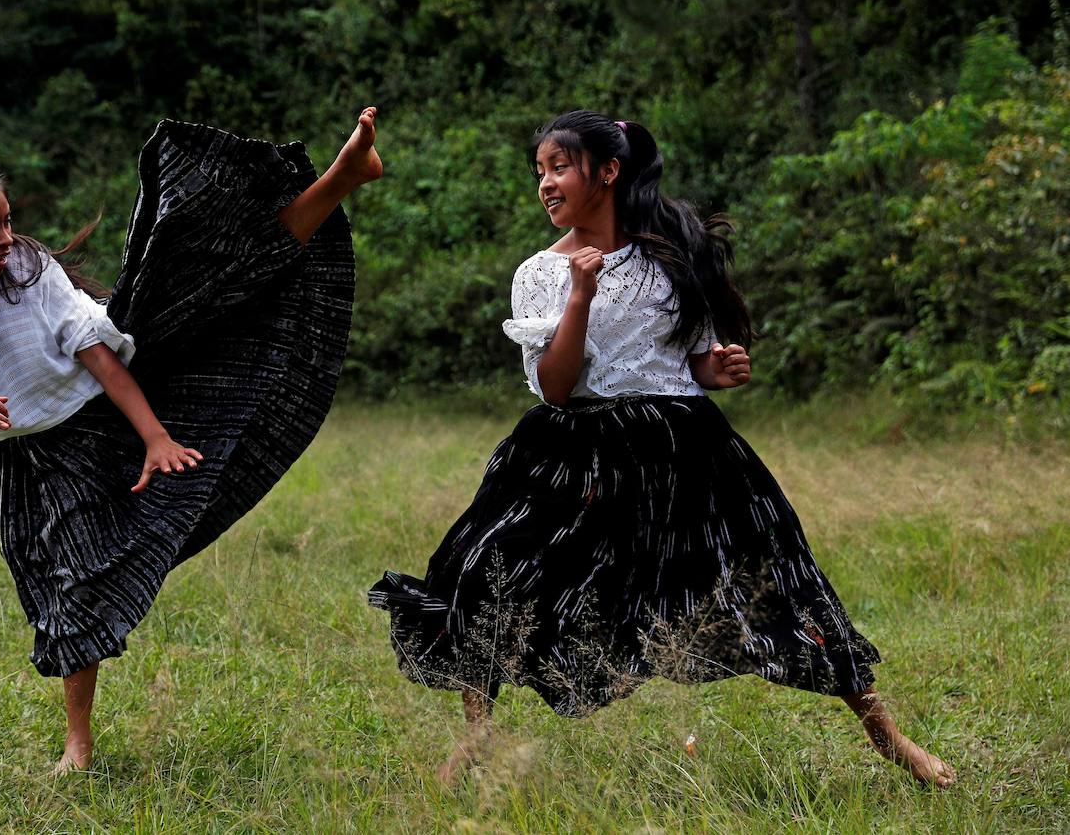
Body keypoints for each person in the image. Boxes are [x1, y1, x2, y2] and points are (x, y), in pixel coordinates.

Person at [368, 110, 954, 787]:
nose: (546, 185)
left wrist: (717, 369)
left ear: (608, 172)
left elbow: (682, 363)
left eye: (560, 167)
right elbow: (556, 388)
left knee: (781, 582)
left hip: (684, 449)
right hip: (571, 448)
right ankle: (478, 738)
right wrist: (580, 296)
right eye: (540, 172)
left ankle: (886, 734)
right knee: (484, 570)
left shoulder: (669, 259)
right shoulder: (539, 274)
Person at [0, 108, 382, 774]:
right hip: (30, 455)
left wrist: (156, 437)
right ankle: (79, 738)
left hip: (109, 403)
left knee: (211, 285)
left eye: (8, 220)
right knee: (58, 587)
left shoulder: (23, 265)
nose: (8, 237)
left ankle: (342, 175)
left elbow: (97, 357)